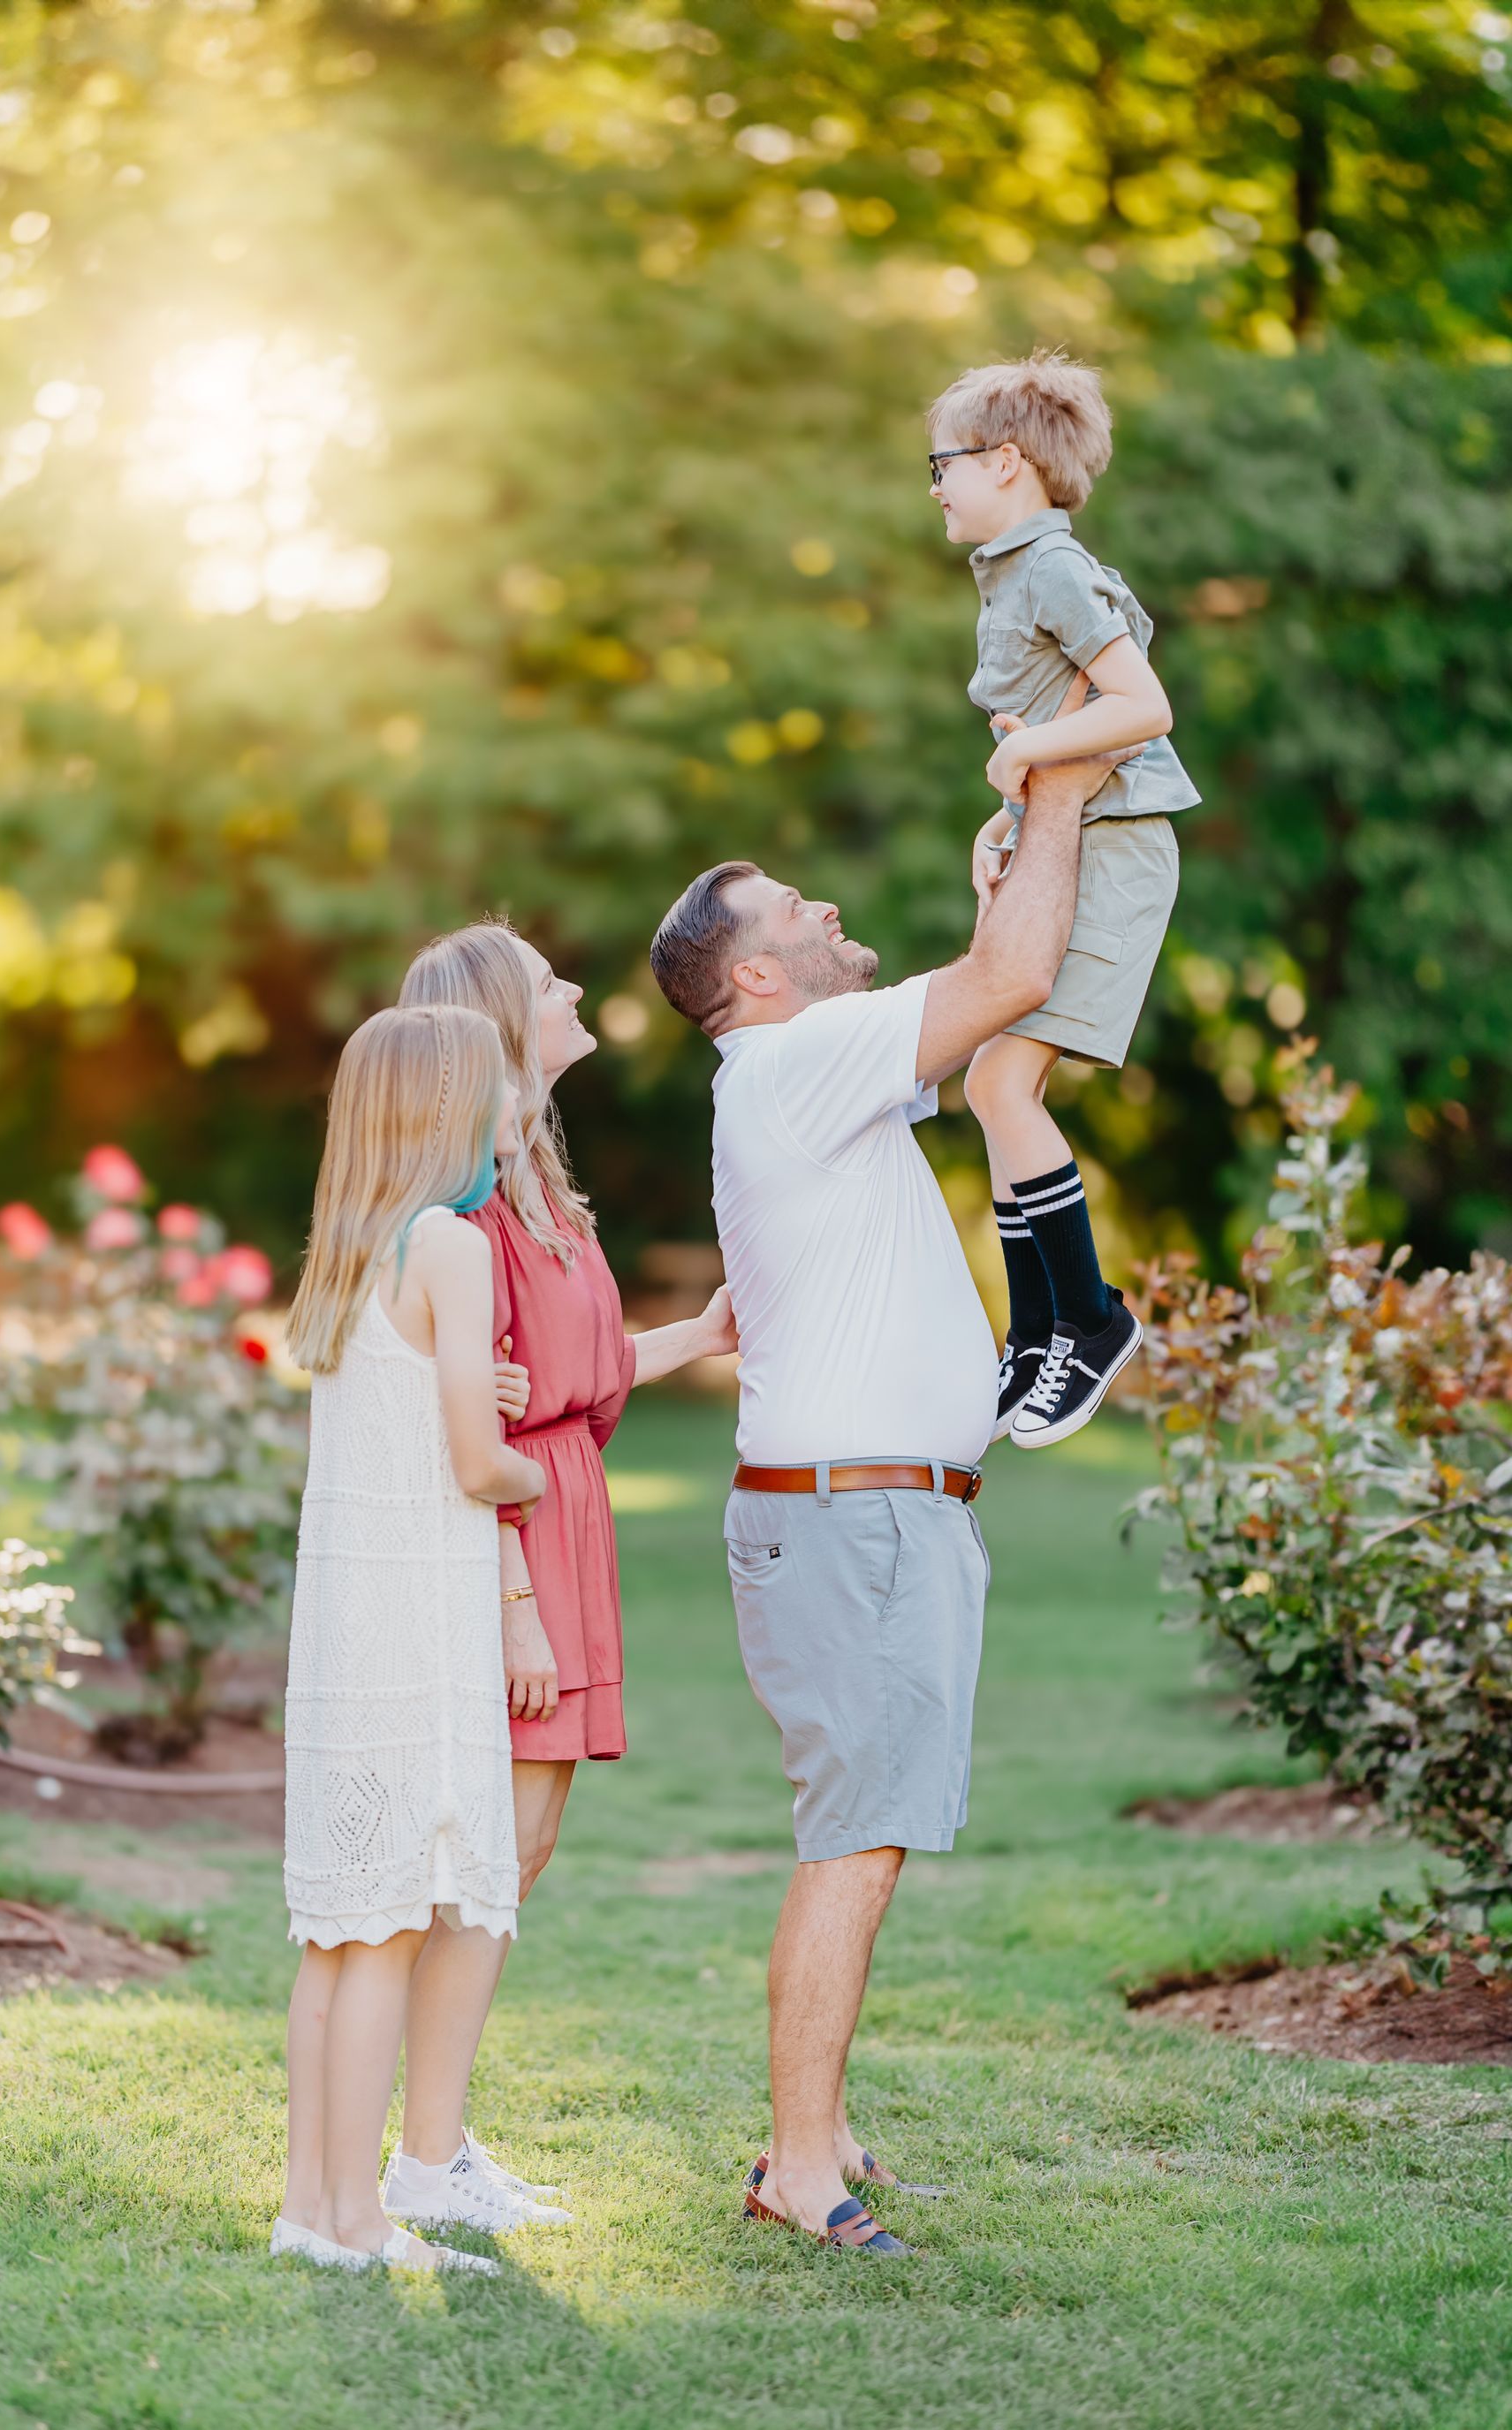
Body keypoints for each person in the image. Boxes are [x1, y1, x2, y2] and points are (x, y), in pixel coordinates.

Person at [649, 739, 1124, 2257]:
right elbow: (1015, 976)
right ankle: (800, 2166)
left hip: (875, 1514)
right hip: (853, 1521)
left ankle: (821, 2130)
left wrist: (1002, 902)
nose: (828, 907)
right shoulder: (794, 1063)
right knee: (853, 1839)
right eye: (794, 907)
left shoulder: (807, 1073)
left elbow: (998, 997)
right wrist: (1059, 775)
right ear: (761, 979)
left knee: (867, 1829)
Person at [383, 919, 737, 2232]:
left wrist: (694, 1334)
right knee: (485, 1853)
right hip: (511, 1544)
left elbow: (574, 1379)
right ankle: (420, 2161)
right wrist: (517, 1604)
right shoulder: (468, 1200)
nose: (576, 988)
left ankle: (438, 2141)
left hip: (565, 1522)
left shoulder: (538, 1176)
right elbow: (461, 1417)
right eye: (547, 982)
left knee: (519, 1850)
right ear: (495, 1020)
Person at [272, 1002, 545, 2275]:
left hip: (344, 1634)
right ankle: (362, 2223)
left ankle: (311, 2208)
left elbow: (414, 1403)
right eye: (496, 1092)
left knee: (338, 1935)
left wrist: (473, 1406)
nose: (510, 1112)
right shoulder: (450, 1242)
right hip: (417, 1634)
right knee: (384, 1928)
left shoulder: (348, 1249)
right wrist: (534, 1469)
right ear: (450, 1111)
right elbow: (481, 1463)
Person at [928, 349, 1200, 1447]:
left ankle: (1086, 1322)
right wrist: (1003, 821)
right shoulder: (1009, 572)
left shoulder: (1050, 569)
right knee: (993, 1083)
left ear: (1005, 461)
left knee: (1002, 1085)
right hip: (1058, 840)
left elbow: (1144, 704)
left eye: (941, 463)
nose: (934, 485)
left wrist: (1028, 754)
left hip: (1115, 850)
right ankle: (1038, 1338)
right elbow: (1043, 737)